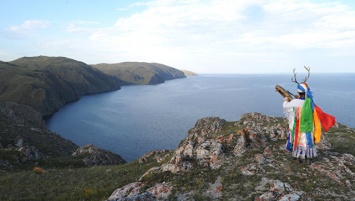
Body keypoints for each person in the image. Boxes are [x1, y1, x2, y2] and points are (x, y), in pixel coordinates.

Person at [283, 82, 317, 163]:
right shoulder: (310, 101)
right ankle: (306, 156)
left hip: (297, 126)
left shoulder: (295, 102)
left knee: (297, 141)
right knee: (305, 142)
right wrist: (298, 98)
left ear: (298, 92)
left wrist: (285, 100)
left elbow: (286, 107)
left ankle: (298, 157)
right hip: (307, 126)